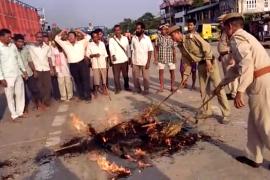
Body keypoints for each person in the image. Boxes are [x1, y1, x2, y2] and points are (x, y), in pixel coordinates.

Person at [219, 13, 270, 168]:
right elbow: (237, 68)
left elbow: (247, 65)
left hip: (261, 82)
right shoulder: (244, 36)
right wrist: (222, 83)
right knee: (254, 123)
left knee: (264, 123)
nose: (224, 32)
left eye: (224, 28)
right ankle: (254, 157)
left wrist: (239, 91)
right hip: (261, 80)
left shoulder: (237, 38)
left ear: (229, 27)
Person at [168, 25, 231, 124]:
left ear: (177, 33)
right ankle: (207, 111)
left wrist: (208, 62)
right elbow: (186, 62)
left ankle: (226, 114)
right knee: (203, 90)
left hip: (210, 62)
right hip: (201, 64)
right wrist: (185, 77)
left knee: (218, 88)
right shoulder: (180, 46)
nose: (172, 39)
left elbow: (206, 46)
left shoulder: (192, 37)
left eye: (172, 36)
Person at [55, 29, 92, 102]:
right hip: (73, 66)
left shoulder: (81, 43)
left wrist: (80, 31)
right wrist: (62, 31)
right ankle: (81, 96)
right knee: (77, 81)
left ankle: (88, 97)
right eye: (69, 37)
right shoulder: (65, 44)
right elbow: (56, 38)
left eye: (72, 36)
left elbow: (88, 36)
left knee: (85, 80)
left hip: (82, 64)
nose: (70, 38)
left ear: (76, 37)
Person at [0, 29, 27, 120]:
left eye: (10, 36)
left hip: (17, 74)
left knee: (20, 94)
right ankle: (14, 115)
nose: (10, 38)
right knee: (10, 96)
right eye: (8, 37)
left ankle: (20, 112)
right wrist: (1, 78)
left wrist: (23, 70)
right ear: (1, 37)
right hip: (7, 76)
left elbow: (18, 58)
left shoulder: (12, 46)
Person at [14, 34, 42, 112]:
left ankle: (38, 103)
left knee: (34, 89)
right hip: (19, 75)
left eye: (22, 42)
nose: (21, 43)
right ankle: (24, 107)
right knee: (21, 92)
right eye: (19, 42)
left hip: (29, 73)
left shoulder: (26, 49)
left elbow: (30, 61)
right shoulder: (12, 50)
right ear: (15, 42)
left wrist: (34, 71)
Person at [28, 32, 54, 107]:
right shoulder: (31, 47)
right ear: (35, 38)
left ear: (43, 38)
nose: (39, 38)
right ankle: (42, 100)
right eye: (38, 37)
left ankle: (46, 100)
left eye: (41, 37)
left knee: (48, 86)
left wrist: (51, 69)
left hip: (46, 69)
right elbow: (30, 61)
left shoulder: (47, 47)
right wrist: (34, 71)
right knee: (40, 87)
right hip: (37, 69)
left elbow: (49, 58)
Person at [217, 15, 239, 100]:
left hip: (229, 56)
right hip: (224, 56)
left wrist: (232, 58)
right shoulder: (223, 32)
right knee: (227, 75)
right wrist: (220, 55)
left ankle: (234, 93)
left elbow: (233, 46)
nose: (220, 24)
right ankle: (231, 92)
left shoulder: (229, 32)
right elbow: (223, 45)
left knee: (232, 75)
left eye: (221, 22)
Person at [131, 22, 154, 95]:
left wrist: (148, 62)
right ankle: (137, 89)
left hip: (144, 61)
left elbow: (150, 50)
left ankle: (146, 90)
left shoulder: (147, 38)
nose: (137, 30)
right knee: (135, 77)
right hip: (135, 61)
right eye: (136, 28)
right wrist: (132, 60)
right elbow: (132, 50)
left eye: (138, 28)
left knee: (145, 77)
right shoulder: (133, 38)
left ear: (142, 29)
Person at [109, 24, 131, 94]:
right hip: (116, 61)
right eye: (116, 30)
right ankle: (117, 88)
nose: (117, 31)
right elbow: (111, 49)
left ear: (121, 30)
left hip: (124, 60)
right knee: (116, 76)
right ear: (114, 31)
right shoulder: (111, 40)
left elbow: (128, 49)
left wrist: (129, 57)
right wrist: (113, 56)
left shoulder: (125, 38)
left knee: (125, 75)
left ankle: (126, 86)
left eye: (118, 30)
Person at [154, 24, 176, 92]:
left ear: (167, 30)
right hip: (161, 58)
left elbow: (174, 48)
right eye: (162, 29)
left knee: (172, 72)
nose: (163, 31)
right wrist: (155, 59)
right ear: (160, 30)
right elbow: (156, 49)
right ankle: (161, 87)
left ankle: (172, 87)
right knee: (161, 72)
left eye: (165, 29)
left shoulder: (171, 37)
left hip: (170, 58)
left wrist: (175, 57)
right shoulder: (158, 38)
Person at [86, 31, 108, 97]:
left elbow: (105, 55)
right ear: (92, 38)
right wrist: (94, 55)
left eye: (96, 36)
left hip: (103, 64)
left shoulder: (102, 44)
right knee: (96, 80)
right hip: (95, 65)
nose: (96, 38)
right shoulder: (90, 44)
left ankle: (104, 90)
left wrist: (106, 63)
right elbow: (88, 55)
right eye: (94, 37)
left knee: (104, 79)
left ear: (98, 36)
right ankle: (95, 91)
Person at [43, 32, 61, 101]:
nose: (46, 42)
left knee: (55, 82)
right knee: (47, 84)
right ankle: (48, 96)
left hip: (53, 66)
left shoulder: (52, 47)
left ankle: (57, 96)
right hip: (45, 68)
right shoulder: (43, 48)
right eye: (44, 41)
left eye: (47, 41)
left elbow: (56, 57)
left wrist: (54, 68)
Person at [186, 19, 198, 90]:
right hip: (186, 56)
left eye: (191, 25)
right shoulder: (185, 34)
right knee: (183, 70)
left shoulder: (196, 35)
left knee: (193, 71)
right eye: (188, 25)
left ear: (194, 26)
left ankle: (193, 84)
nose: (189, 26)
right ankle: (184, 83)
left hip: (193, 56)